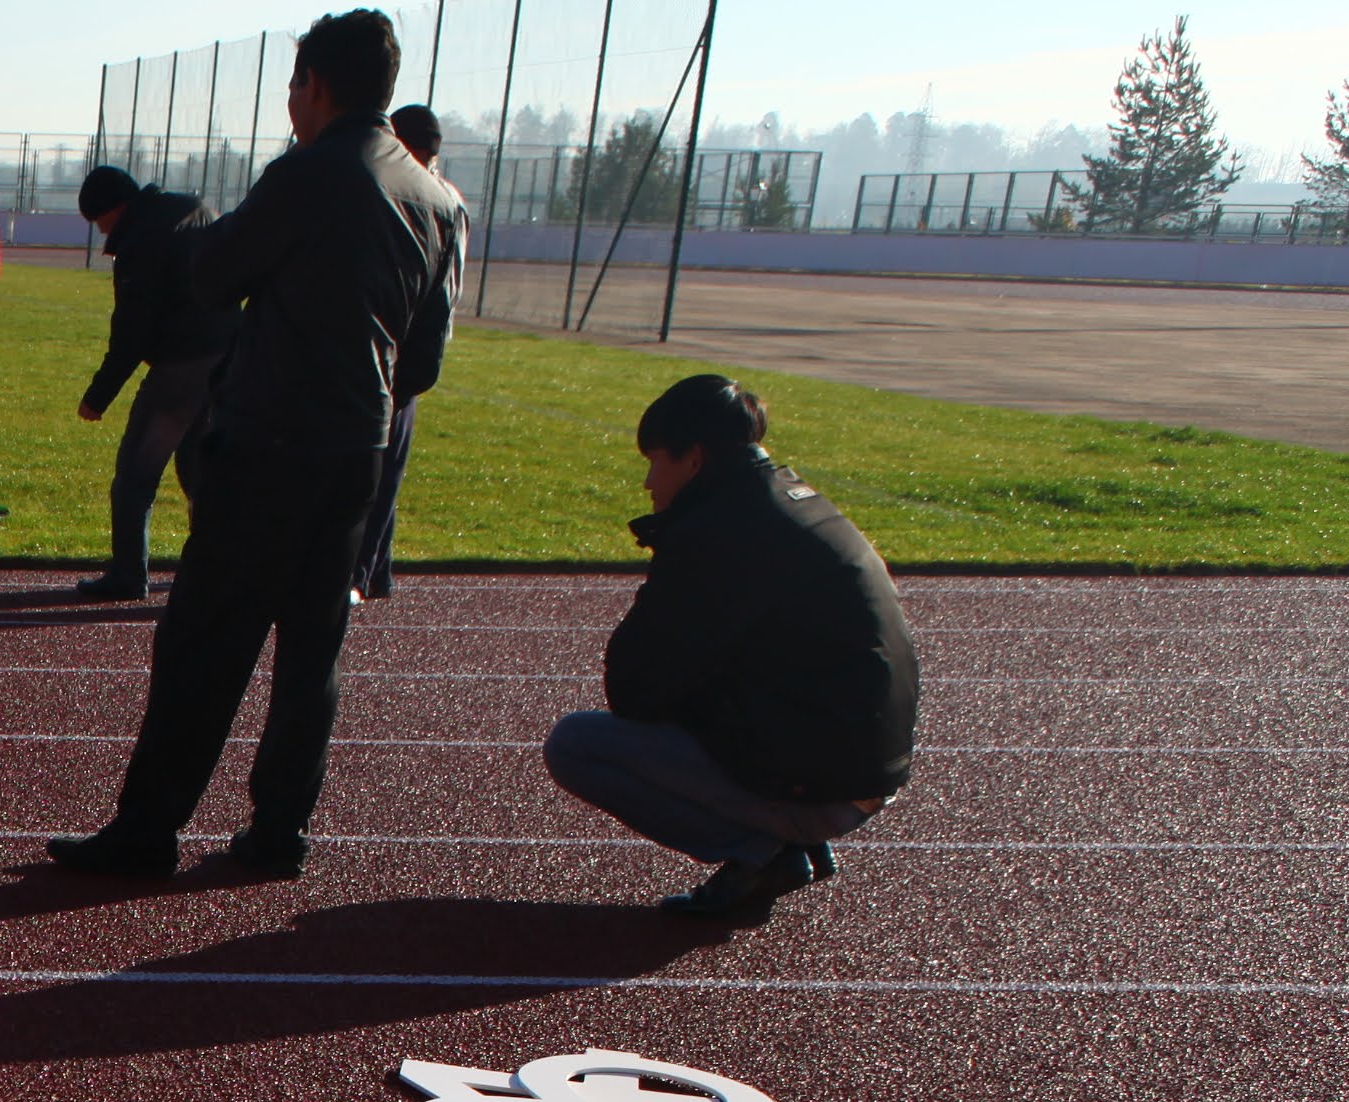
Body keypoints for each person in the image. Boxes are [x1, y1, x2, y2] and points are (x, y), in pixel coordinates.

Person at [52, 8, 465, 878]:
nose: (290, 100)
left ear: (315, 86)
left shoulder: (307, 175)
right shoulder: (435, 199)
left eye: (293, 84)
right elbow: (422, 360)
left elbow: (211, 273)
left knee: (205, 642)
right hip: (360, 453)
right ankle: (279, 831)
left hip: (269, 443)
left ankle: (147, 832)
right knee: (312, 650)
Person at [543, 374, 918, 923]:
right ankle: (779, 837)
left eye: (656, 461)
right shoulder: (793, 502)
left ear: (693, 460)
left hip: (827, 780)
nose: (649, 481)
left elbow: (633, 687)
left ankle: (761, 851)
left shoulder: (719, 533)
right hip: (862, 765)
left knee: (577, 745)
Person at [71, 163, 235, 601]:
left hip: (181, 364)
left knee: (136, 475)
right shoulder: (196, 209)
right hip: (225, 354)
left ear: (114, 209)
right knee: (199, 470)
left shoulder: (141, 241)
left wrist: (99, 394)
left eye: (100, 221)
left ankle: (128, 574)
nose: (103, 233)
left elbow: (132, 330)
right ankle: (221, 569)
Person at [354, 103, 443, 599]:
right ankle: (376, 569)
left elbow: (441, 290)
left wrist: (419, 366)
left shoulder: (431, 200)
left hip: (398, 353)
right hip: (391, 349)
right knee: (382, 467)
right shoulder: (422, 194)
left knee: (381, 469)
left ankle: (361, 573)